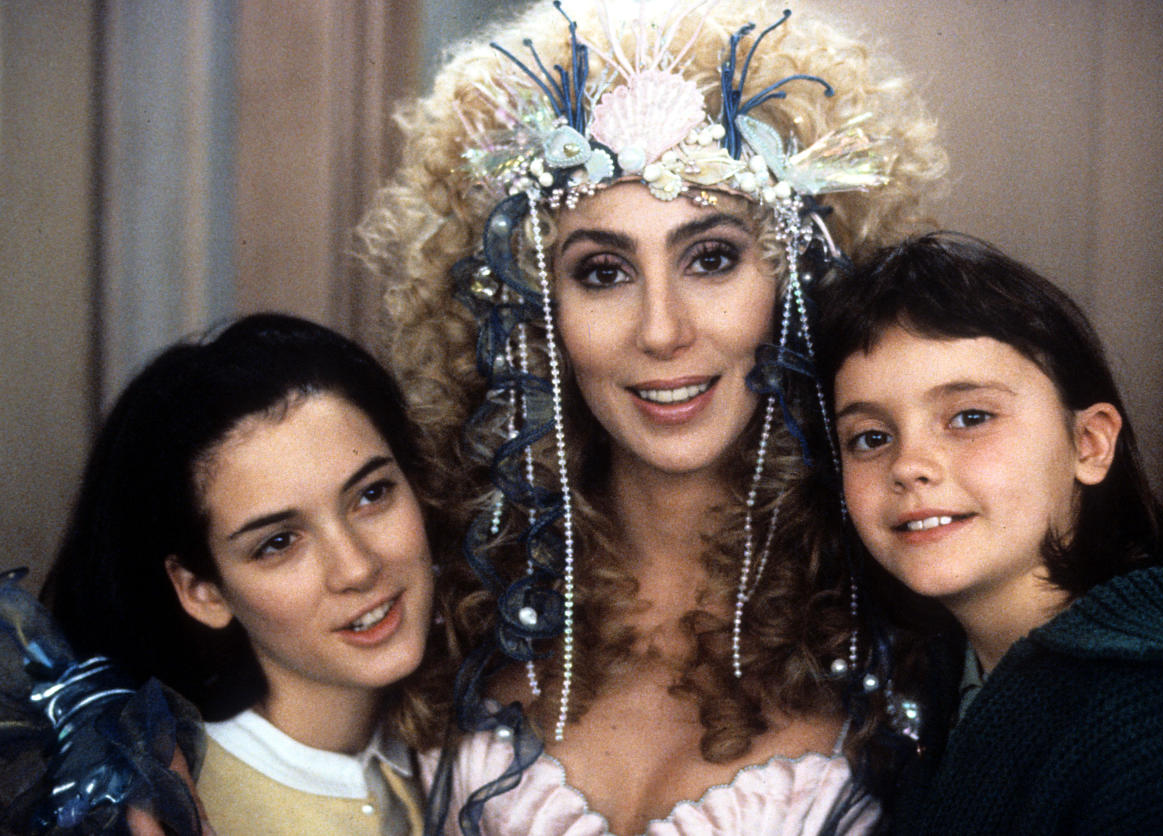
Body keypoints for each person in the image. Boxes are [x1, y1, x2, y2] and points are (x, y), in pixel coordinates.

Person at [358, 1, 946, 833]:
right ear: (533, 308)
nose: (662, 331)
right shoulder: (441, 595)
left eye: (711, 258)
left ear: (794, 279)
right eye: (603, 272)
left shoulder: (909, 594)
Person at [815, 231, 1163, 833]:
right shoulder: (931, 685)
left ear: (1090, 445)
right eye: (871, 438)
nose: (909, 464)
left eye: (970, 417)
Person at [40, 313, 455, 836]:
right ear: (202, 591)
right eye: (278, 543)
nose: (356, 566)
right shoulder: (170, 812)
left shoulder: (475, 748)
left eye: (371, 494)